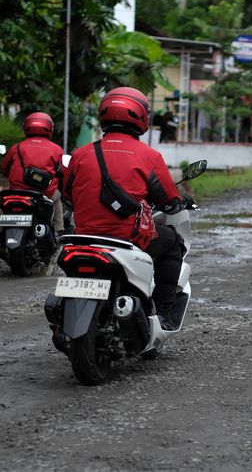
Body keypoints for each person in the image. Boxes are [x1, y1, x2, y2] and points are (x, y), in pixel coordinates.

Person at [63, 87, 192, 330]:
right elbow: (168, 202)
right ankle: (163, 312)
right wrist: (180, 202)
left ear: (104, 114)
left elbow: (68, 194)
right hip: (127, 237)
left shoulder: (81, 153)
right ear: (142, 117)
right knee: (173, 243)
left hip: (83, 238)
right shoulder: (149, 156)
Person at [0, 112, 64, 233]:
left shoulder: (16, 148)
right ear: (50, 128)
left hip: (16, 193)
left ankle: (4, 227)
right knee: (57, 197)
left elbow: (4, 169)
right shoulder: (56, 149)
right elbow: (63, 171)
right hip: (44, 193)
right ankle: (58, 230)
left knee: (5, 203)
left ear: (26, 127)